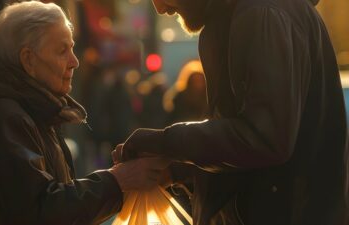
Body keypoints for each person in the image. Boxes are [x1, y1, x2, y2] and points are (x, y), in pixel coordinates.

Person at [113, 0, 349, 224]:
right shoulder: (242, 15)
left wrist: (167, 143)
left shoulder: (261, 12)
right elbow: (248, 154)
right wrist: (176, 169)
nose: (161, 7)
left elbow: (264, 138)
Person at [0, 1, 169, 225]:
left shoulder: (30, 114)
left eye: (72, 48)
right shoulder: (5, 118)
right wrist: (117, 180)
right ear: (29, 59)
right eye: (62, 50)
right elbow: (41, 212)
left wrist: (118, 179)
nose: (74, 61)